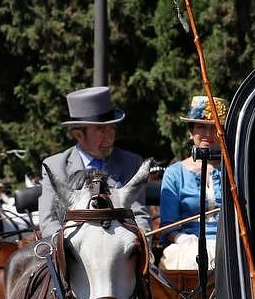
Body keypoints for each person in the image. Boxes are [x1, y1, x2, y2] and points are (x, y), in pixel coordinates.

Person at [37, 87, 154, 238]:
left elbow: (139, 215)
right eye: (101, 130)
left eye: (112, 128)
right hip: (74, 252)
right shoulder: (55, 167)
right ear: (78, 135)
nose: (110, 137)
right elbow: (49, 223)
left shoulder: (131, 162)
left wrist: (141, 243)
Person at [159, 95, 226, 270]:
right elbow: (168, 227)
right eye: (200, 127)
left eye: (214, 128)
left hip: (230, 242)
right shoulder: (174, 173)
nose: (208, 134)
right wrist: (181, 238)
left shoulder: (234, 171)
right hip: (190, 246)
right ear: (191, 132)